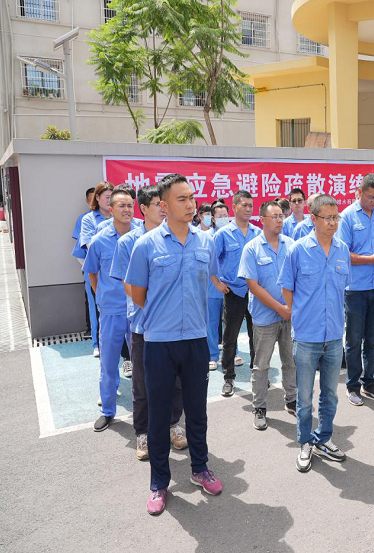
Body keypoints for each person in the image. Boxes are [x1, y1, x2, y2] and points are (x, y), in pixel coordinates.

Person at [125, 173, 223, 516]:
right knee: (158, 414)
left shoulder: (205, 243)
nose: (190, 204)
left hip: (195, 340)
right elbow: (137, 293)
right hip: (159, 341)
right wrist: (163, 314)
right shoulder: (146, 245)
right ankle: (159, 483)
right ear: (164, 206)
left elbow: (208, 280)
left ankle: (200, 468)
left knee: (197, 410)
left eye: (192, 197)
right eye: (182, 199)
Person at [111, 185, 186, 460]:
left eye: (166, 204)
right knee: (142, 384)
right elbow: (128, 285)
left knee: (176, 381)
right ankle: (142, 432)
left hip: (175, 326)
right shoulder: (128, 243)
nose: (164, 209)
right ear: (143, 209)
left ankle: (173, 423)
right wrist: (155, 309)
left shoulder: (177, 236)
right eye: (158, 204)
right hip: (144, 325)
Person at [279, 194, 350, 473]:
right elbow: (287, 288)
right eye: (327, 218)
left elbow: (343, 288)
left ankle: (324, 438)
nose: (332, 222)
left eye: (336, 217)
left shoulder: (342, 250)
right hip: (307, 336)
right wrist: (301, 315)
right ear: (313, 219)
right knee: (305, 397)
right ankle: (305, 442)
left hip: (334, 335)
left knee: (330, 394)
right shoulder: (298, 250)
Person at [238, 200, 297, 430]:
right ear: (262, 220)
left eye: (282, 216)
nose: (280, 220)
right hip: (265, 317)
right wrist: (280, 308)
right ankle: (260, 407)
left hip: (289, 315)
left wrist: (290, 307)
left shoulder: (291, 245)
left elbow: (298, 278)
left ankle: (291, 399)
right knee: (261, 365)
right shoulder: (252, 248)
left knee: (290, 361)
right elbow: (253, 286)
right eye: (275, 216)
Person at [83, 184, 137, 433]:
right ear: (111, 209)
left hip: (138, 309)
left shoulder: (142, 235)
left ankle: (146, 408)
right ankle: (107, 410)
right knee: (108, 361)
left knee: (142, 362)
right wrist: (103, 297)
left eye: (130, 205)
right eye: (121, 205)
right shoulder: (99, 240)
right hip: (112, 310)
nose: (127, 210)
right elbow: (92, 273)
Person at [336, 173, 374, 406]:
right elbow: (343, 253)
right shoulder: (347, 216)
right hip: (355, 289)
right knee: (354, 340)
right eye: (370, 197)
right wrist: (371, 259)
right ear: (359, 192)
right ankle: (352, 385)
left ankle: (369, 381)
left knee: (372, 339)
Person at [213, 190, 261, 396]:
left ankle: (258, 374)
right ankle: (229, 377)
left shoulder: (257, 233)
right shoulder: (223, 234)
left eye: (250, 205)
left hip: (255, 292)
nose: (248, 209)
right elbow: (211, 261)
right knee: (230, 336)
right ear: (234, 207)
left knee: (256, 335)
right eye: (244, 205)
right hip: (233, 291)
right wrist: (217, 283)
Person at [73, 181, 114, 358]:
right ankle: (97, 344)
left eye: (112, 197)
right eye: (107, 197)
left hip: (117, 272)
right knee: (97, 307)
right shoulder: (88, 219)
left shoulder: (118, 216)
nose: (110, 200)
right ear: (97, 198)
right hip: (96, 272)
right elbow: (91, 246)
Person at [205, 203, 230, 370]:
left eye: (225, 216)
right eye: (220, 216)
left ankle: (231, 353)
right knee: (212, 322)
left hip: (229, 287)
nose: (223, 219)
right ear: (213, 219)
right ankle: (212, 355)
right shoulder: (206, 236)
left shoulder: (232, 234)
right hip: (212, 287)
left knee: (230, 323)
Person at [72, 187, 96, 339]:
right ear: (87, 201)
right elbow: (80, 246)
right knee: (91, 301)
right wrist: (86, 266)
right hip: (90, 269)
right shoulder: (84, 219)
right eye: (92, 199)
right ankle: (91, 330)